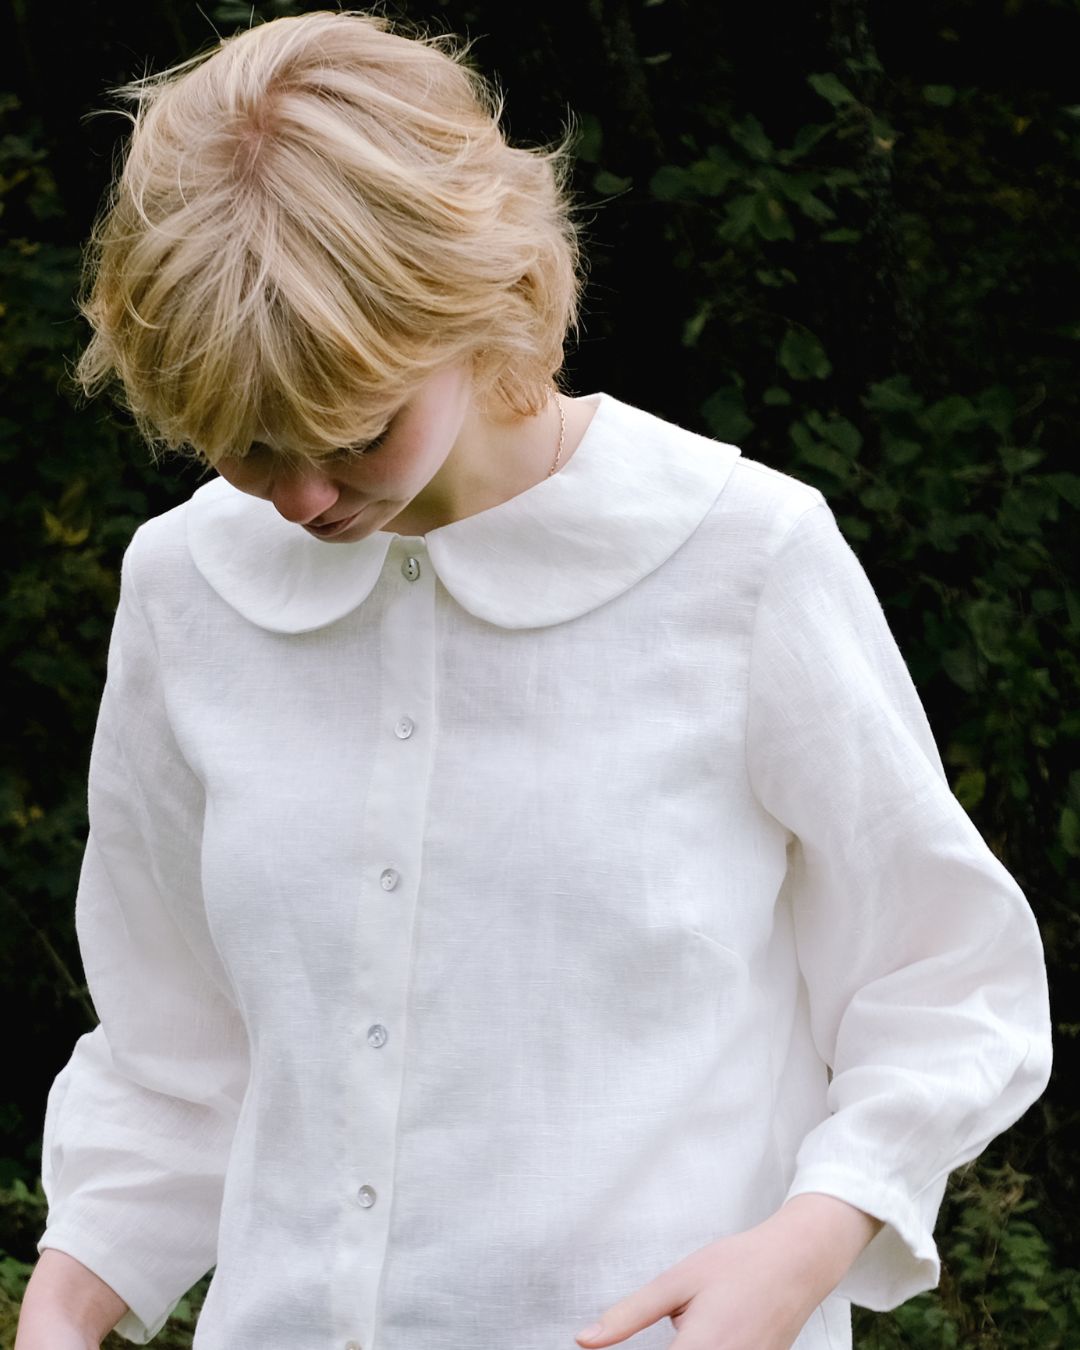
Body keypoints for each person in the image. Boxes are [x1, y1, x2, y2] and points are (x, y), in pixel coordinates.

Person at [15, 10, 1052, 1350]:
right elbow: (173, 1045)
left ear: (474, 295)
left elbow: (949, 974)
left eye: (354, 433)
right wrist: (66, 1292)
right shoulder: (184, 591)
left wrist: (809, 1241)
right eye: (248, 451)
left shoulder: (741, 558)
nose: (303, 496)